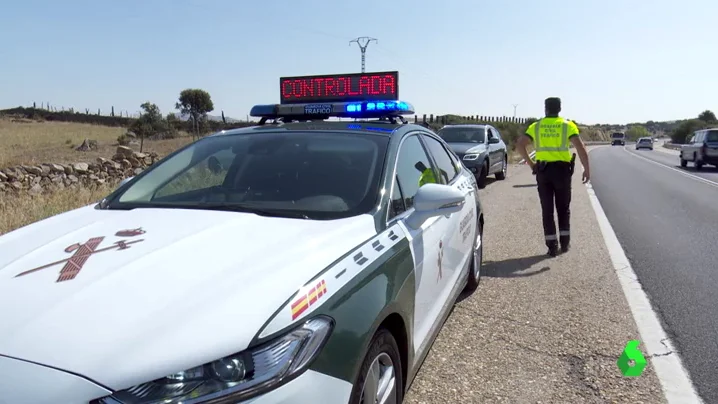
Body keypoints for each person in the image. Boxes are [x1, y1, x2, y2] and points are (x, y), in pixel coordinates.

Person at [516, 97, 590, 257]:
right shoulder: (567, 125)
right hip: (562, 172)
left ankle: (552, 246)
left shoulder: (536, 126)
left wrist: (531, 164)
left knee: (547, 210)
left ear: (545, 109)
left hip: (543, 171)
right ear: (559, 109)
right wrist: (586, 168)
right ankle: (564, 243)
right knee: (563, 208)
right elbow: (580, 146)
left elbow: (520, 144)